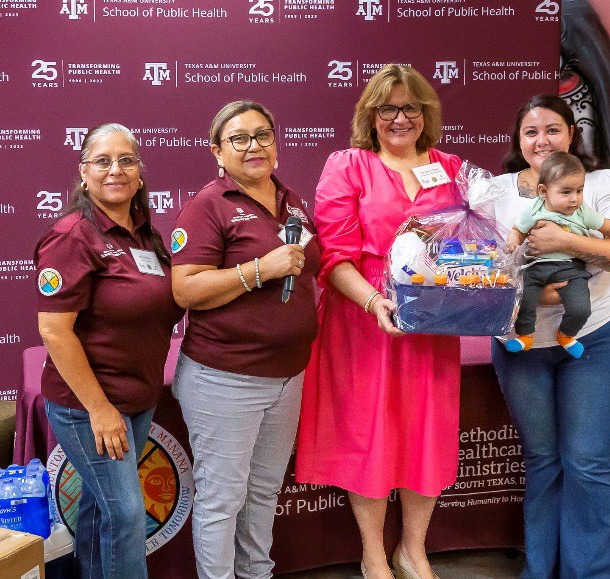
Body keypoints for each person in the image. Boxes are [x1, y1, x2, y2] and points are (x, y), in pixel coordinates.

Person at [295, 64, 462, 579]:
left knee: (425, 433)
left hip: (434, 322)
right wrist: (374, 302)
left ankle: (413, 550)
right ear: (370, 114)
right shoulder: (348, 165)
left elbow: (473, 243)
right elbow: (334, 256)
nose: (399, 118)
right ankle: (373, 554)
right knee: (368, 434)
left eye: (410, 107)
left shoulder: (451, 166)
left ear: (425, 113)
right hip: (364, 321)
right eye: (387, 107)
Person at [491, 95, 610, 578]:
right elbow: (481, 266)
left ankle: (595, 573)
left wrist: (566, 242)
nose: (542, 140)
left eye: (553, 129)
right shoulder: (494, 194)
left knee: (587, 461)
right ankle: (542, 570)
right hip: (522, 343)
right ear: (518, 141)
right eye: (531, 131)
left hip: (594, 335)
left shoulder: (601, 183)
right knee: (542, 459)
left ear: (571, 135)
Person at [170, 100, 321, 579]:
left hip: (287, 376)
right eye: (239, 138)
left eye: (263, 135)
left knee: (263, 491)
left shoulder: (291, 201)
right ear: (218, 151)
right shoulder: (208, 206)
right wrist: (260, 269)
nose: (253, 146)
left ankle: (257, 574)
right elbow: (186, 289)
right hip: (224, 378)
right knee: (221, 499)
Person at [34, 123, 183, 579]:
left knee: (101, 511)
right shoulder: (72, 236)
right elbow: (56, 331)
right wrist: (99, 410)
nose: (115, 170)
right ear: (83, 173)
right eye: (103, 161)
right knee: (125, 516)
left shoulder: (144, 234)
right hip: (91, 408)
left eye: (127, 160)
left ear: (140, 173)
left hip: (135, 402)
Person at [505, 151, 610, 357]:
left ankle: (566, 335)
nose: (575, 199)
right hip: (536, 267)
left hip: (571, 269)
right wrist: (513, 241)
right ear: (544, 192)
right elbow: (518, 229)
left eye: (579, 191)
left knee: (580, 307)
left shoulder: (582, 212)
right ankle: (525, 336)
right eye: (566, 192)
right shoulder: (535, 210)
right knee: (526, 300)